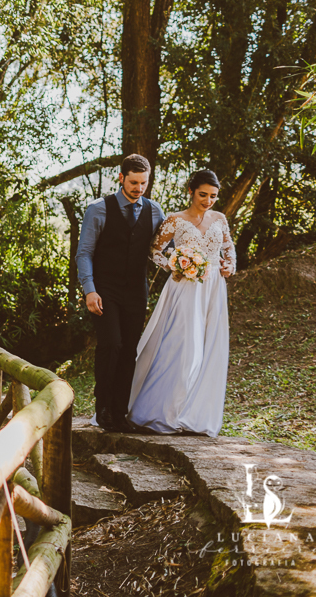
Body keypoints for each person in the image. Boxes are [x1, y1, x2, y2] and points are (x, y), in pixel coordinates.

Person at [126, 170, 236, 436]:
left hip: (213, 289)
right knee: (184, 346)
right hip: (185, 286)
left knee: (209, 347)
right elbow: (155, 250)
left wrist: (229, 265)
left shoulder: (219, 219)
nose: (208, 201)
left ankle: (194, 415)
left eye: (213, 196)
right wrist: (173, 265)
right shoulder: (175, 219)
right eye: (203, 195)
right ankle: (165, 412)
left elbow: (228, 249)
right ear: (191, 191)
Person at [75, 154, 165, 432]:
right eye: (134, 182)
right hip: (105, 290)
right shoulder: (98, 209)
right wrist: (90, 290)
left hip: (136, 292)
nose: (139, 188)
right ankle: (103, 408)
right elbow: (84, 253)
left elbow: (164, 249)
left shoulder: (155, 211)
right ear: (121, 178)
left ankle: (120, 412)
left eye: (144, 183)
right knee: (111, 344)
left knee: (128, 350)